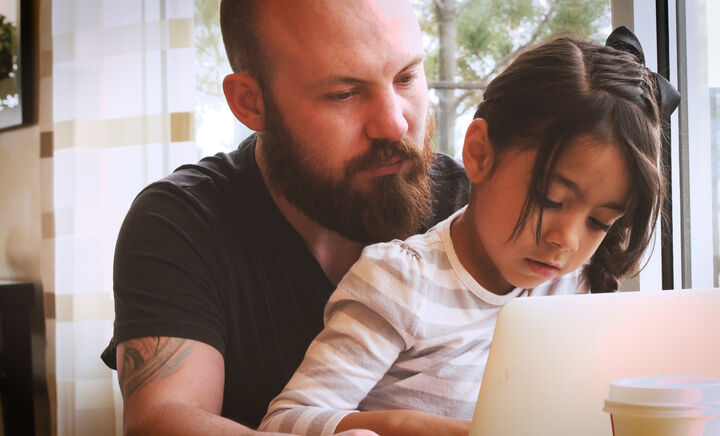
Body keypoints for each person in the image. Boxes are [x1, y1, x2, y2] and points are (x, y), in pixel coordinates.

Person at [258, 28, 681, 436]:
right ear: (479, 152)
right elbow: (284, 422)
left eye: (599, 222)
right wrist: (407, 426)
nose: (566, 240)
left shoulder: (573, 287)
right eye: (550, 199)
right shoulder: (400, 284)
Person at [99, 0, 470, 434]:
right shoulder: (183, 222)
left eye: (406, 77)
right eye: (343, 93)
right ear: (250, 103)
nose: (393, 124)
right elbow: (162, 421)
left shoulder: (472, 208)